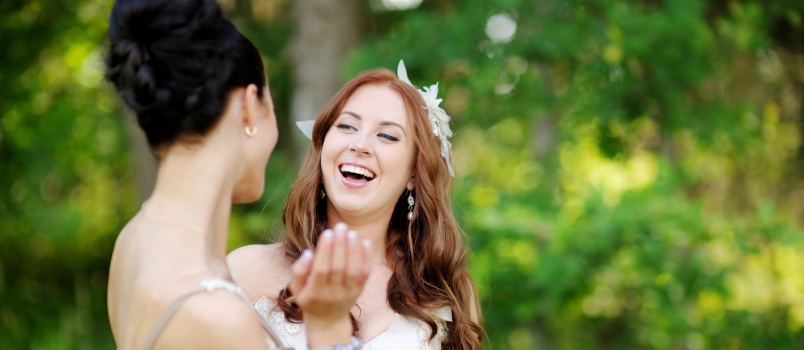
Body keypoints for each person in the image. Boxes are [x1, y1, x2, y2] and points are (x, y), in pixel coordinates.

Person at [104, 0, 369, 349]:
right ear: (248, 107)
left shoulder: (134, 240)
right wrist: (328, 327)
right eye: (270, 108)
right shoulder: (217, 318)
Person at [228, 61, 484, 349]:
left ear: (414, 173)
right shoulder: (245, 270)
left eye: (387, 135)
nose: (360, 144)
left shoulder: (450, 293)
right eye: (347, 126)